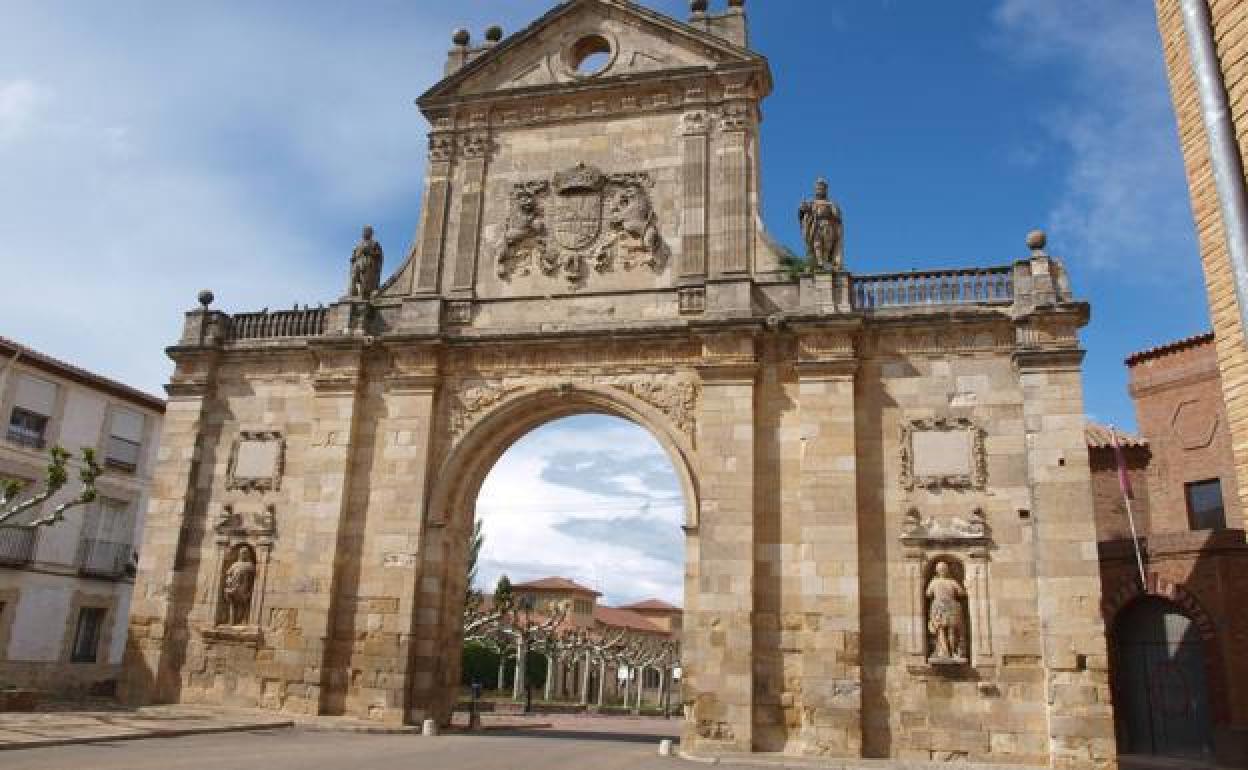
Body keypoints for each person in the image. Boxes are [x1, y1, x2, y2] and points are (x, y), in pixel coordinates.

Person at [798, 178, 844, 271]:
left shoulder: (831, 203)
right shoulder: (811, 202)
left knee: (827, 244)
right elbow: (802, 214)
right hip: (815, 225)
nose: (820, 190)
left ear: (825, 190)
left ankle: (826, 261)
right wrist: (803, 209)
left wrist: (834, 212)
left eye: (822, 188)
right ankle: (819, 262)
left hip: (827, 225)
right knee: (816, 243)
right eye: (818, 188)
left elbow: (837, 217)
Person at [926, 561, 967, 660]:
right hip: (951, 606)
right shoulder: (952, 582)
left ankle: (945, 652)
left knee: (941, 630)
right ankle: (952, 652)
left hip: (939, 606)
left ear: (937, 571)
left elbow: (928, 593)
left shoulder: (934, 582)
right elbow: (961, 593)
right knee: (950, 630)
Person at [222, 547, 256, 625]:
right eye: (241, 553)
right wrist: (229, 580)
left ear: (248, 554)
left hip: (244, 587)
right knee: (232, 604)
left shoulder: (250, 565)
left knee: (244, 604)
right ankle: (231, 621)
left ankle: (243, 621)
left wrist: (249, 589)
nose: (243, 554)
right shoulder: (235, 564)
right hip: (233, 586)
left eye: (245, 553)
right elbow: (228, 574)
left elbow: (252, 577)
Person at [348, 225, 384, 299]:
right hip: (357, 264)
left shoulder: (375, 243)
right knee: (353, 278)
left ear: (371, 233)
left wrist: (370, 252)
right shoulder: (359, 244)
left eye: (367, 231)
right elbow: (354, 254)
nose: (365, 232)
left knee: (364, 281)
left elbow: (379, 256)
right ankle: (352, 293)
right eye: (364, 231)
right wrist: (353, 258)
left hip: (368, 265)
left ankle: (364, 294)